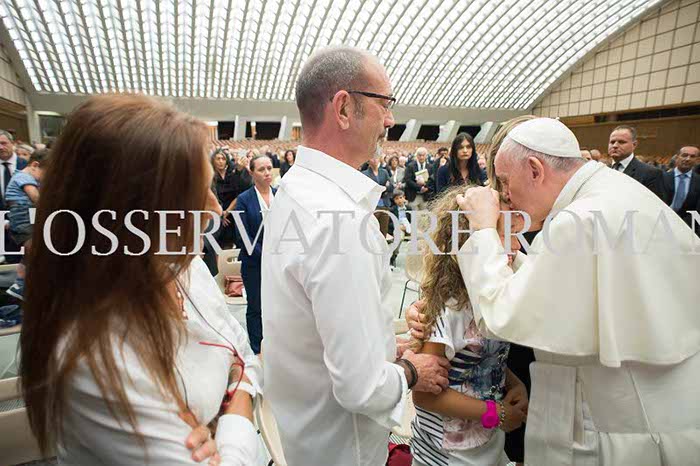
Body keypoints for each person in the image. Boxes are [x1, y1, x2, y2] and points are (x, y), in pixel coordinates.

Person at [20, 95, 264, 465]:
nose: (215, 209)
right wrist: (241, 398)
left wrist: (229, 400)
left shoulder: (182, 266)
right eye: (197, 197)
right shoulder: (89, 354)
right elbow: (243, 368)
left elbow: (242, 353)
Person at [441, 117, 699, 465]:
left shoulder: (582, 216)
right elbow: (559, 289)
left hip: (622, 428)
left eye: (505, 181)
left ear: (535, 169)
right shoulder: (614, 195)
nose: (505, 194)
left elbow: (504, 317)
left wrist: (484, 229)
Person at [261, 46, 450, 466]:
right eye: (385, 105)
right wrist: (412, 369)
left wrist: (383, 345)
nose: (390, 120)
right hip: (344, 449)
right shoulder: (339, 219)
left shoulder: (294, 190)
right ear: (344, 108)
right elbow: (362, 389)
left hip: (307, 437)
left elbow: (315, 324)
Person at [410, 186, 528, 466]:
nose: (516, 246)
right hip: (446, 456)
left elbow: (483, 358)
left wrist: (515, 383)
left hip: (487, 449)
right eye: (504, 236)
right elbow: (425, 396)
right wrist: (495, 414)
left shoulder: (490, 297)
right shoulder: (447, 308)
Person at [234, 154, 276, 355]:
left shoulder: (280, 195)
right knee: (256, 307)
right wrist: (267, 256)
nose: (267, 173)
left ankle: (277, 346)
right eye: (262, 169)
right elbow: (243, 237)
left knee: (277, 306)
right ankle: (257, 350)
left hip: (279, 262)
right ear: (252, 172)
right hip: (254, 262)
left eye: (269, 168)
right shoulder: (243, 200)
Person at [4, 148, 48, 300]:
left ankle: (20, 284)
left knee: (29, 254)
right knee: (34, 249)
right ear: (35, 165)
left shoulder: (23, 176)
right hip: (23, 220)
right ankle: (22, 285)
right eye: (46, 173)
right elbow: (36, 197)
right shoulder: (23, 177)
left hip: (25, 220)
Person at [608, 125, 664, 199]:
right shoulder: (602, 170)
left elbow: (654, 206)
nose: (615, 145)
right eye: (612, 142)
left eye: (621, 142)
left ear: (634, 145)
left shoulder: (651, 174)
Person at [0, 129, 28, 264]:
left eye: (3, 143)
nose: (0, 147)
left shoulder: (27, 165)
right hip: (2, 230)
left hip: (27, 228)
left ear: (12, 144)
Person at [662, 145, 699, 236]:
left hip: (687, 228)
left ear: (697, 160)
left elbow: (698, 210)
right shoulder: (662, 177)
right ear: (677, 157)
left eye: (692, 156)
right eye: (684, 155)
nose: (687, 159)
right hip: (662, 223)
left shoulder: (698, 181)